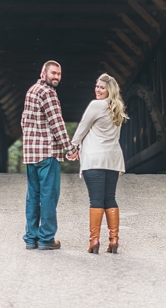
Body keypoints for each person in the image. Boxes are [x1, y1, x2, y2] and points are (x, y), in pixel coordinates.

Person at [67, 73, 128, 254]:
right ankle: (114, 239)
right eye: (97, 86)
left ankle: (94, 241)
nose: (98, 90)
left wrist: (72, 147)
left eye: (102, 87)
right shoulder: (117, 108)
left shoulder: (96, 105)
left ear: (110, 90)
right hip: (113, 160)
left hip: (94, 160)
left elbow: (82, 128)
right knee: (110, 198)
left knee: (96, 200)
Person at [21, 60, 76, 251]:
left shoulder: (31, 91)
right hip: (47, 154)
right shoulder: (48, 93)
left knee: (33, 197)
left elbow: (23, 122)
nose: (56, 77)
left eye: (59, 74)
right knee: (49, 196)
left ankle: (30, 238)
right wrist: (69, 148)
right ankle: (46, 239)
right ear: (43, 73)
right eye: (53, 73)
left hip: (31, 154)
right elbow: (57, 124)